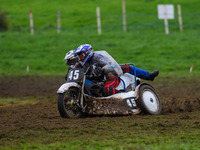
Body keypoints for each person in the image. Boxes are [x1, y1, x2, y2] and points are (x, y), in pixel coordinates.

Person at [64, 44, 159, 96]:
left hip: (107, 77)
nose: (80, 57)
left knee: (127, 68)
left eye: (82, 55)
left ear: (87, 53)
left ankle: (148, 77)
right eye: (79, 56)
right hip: (94, 82)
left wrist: (102, 69)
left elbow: (110, 65)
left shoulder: (97, 57)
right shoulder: (80, 63)